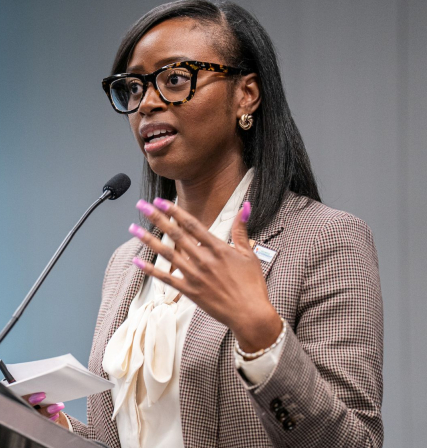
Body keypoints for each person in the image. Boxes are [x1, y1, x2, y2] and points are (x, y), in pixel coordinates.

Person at [26, 1, 383, 447]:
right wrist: (50, 430)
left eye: (174, 79)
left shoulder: (325, 241)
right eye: (133, 88)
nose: (147, 103)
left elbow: (355, 442)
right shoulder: (127, 264)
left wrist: (261, 334)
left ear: (245, 94)